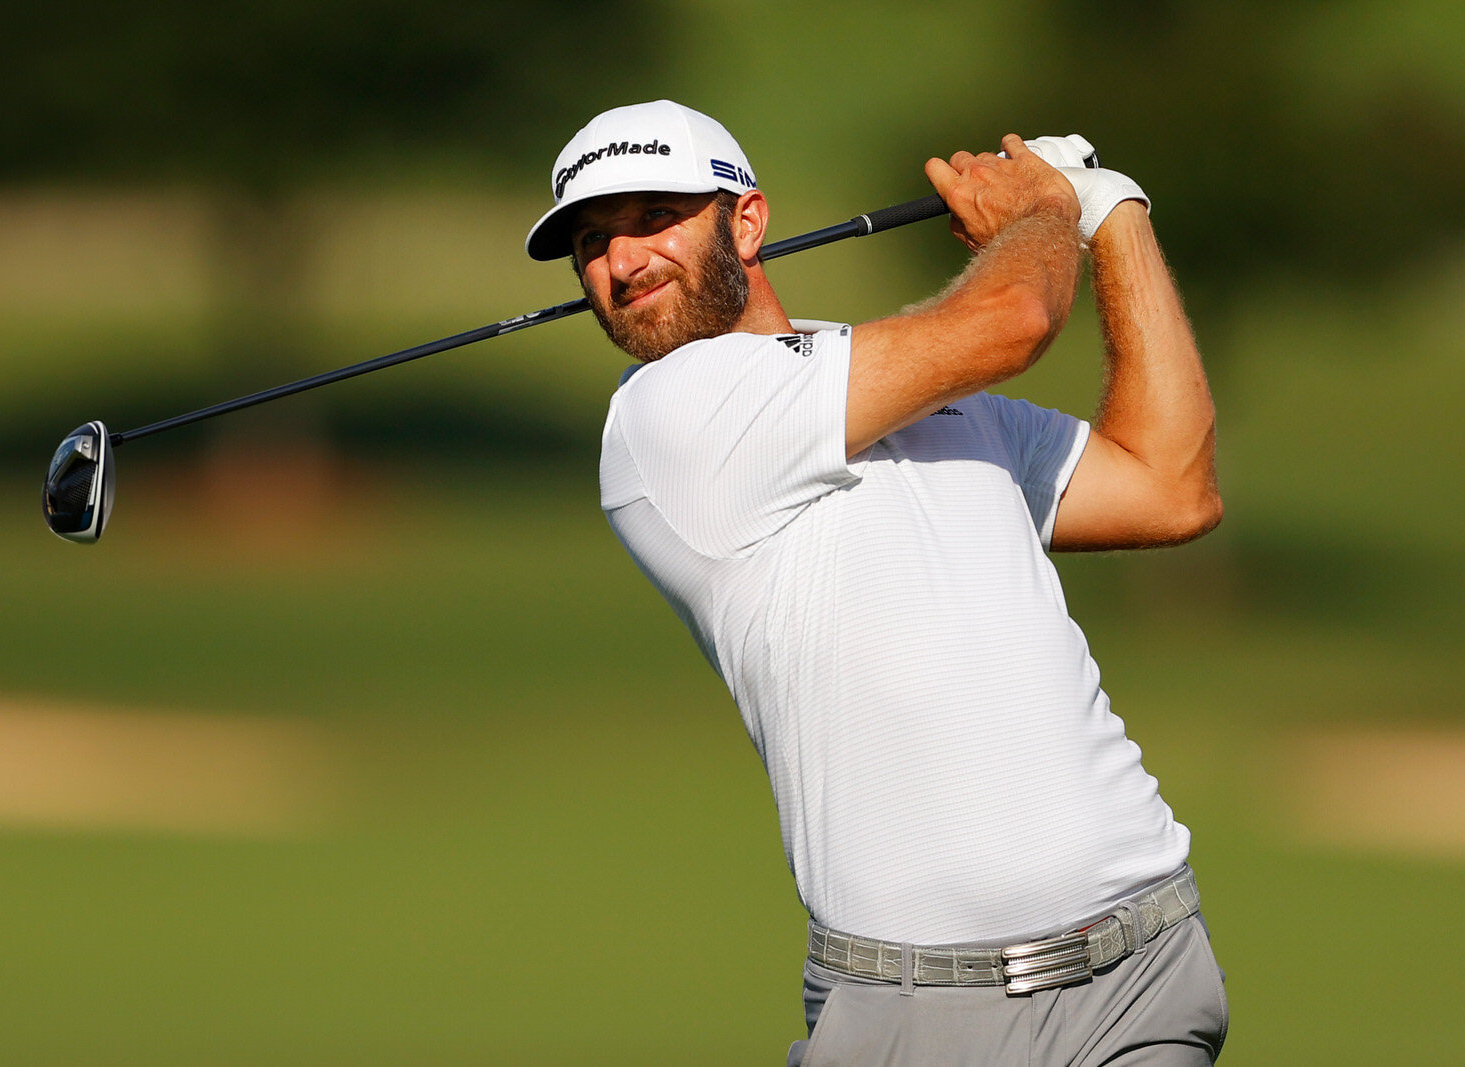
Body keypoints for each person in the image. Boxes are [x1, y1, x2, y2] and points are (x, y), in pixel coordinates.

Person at [525, 99, 1226, 1066]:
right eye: (593, 243)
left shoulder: (931, 396)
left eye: (653, 218)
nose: (623, 261)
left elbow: (1170, 485)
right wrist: (1042, 211)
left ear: (748, 220)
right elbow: (1015, 316)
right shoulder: (667, 420)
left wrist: (1114, 215)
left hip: (1140, 972)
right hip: (918, 1013)